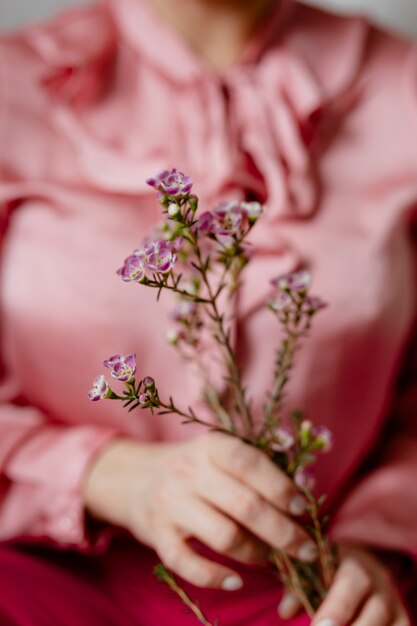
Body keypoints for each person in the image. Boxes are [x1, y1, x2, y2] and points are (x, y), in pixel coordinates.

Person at [0, 0, 416, 624]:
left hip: (317, 589)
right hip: (34, 577)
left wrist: (382, 541)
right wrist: (106, 473)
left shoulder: (400, 86)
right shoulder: (14, 86)